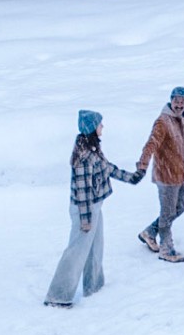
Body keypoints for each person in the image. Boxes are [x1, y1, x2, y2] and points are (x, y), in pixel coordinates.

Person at [44, 110, 145, 307]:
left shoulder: (93, 149)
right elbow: (82, 192)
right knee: (77, 251)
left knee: (94, 248)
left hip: (94, 207)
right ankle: (58, 296)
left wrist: (133, 177)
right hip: (85, 209)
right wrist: (85, 220)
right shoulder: (83, 156)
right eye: (100, 124)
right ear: (92, 128)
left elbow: (108, 168)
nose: (103, 127)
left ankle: (94, 286)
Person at [137, 85, 184, 264]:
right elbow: (151, 144)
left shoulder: (182, 118)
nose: (179, 104)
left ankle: (150, 232)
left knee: (181, 206)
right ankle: (166, 249)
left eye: (183, 101)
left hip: (180, 172)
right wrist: (142, 165)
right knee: (168, 212)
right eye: (176, 100)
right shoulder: (163, 121)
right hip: (166, 174)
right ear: (171, 100)